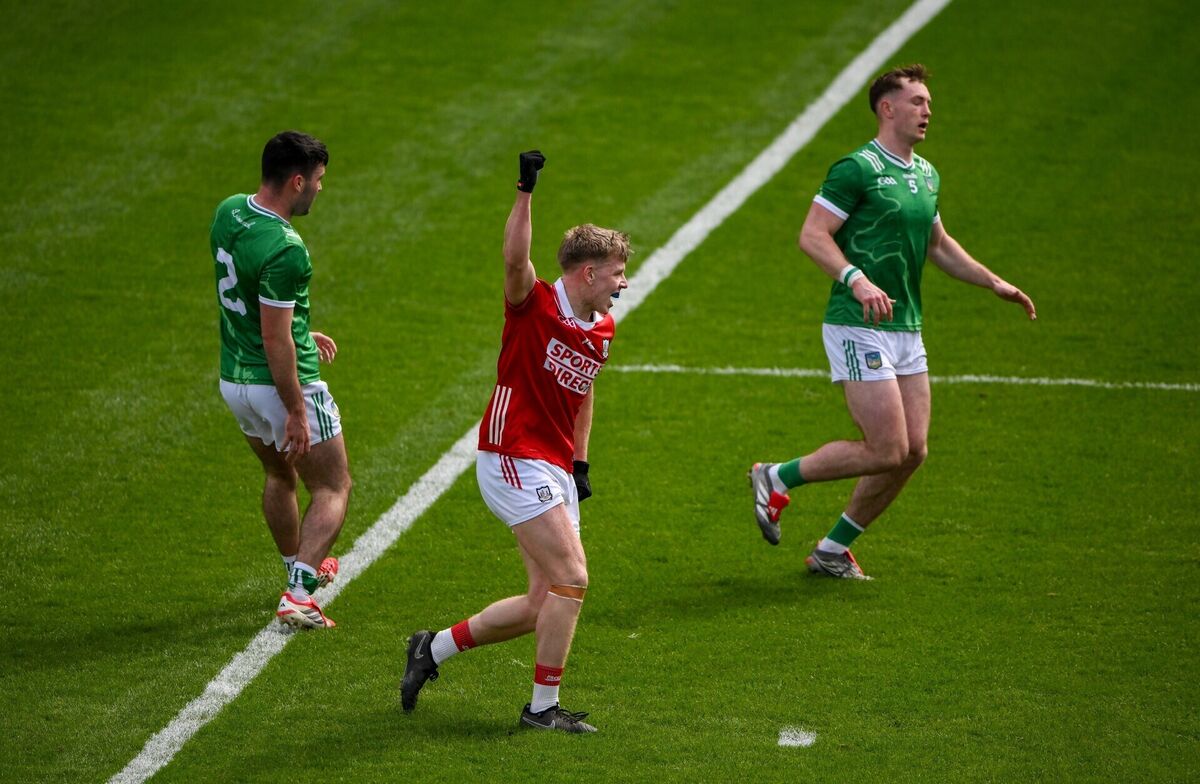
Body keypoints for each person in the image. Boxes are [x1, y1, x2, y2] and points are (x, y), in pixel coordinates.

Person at [749, 64, 1036, 579]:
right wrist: (855, 278)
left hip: (906, 326)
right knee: (886, 446)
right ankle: (775, 476)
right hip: (857, 322)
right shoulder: (856, 168)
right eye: (918, 101)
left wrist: (992, 282)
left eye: (927, 102)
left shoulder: (926, 174)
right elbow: (813, 235)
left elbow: (938, 245)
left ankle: (833, 548)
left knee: (912, 451)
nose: (927, 110)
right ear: (888, 108)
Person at [399, 151, 630, 733]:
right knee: (573, 578)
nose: (623, 282)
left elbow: (584, 392)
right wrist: (525, 189)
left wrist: (579, 461)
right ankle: (542, 711)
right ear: (587, 273)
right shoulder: (534, 303)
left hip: (552, 464)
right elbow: (514, 257)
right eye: (617, 272)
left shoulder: (602, 328)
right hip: (509, 455)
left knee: (541, 601)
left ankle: (432, 649)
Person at [210, 130, 352, 628]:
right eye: (317, 181)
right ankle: (299, 593)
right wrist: (296, 410)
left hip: (235, 383)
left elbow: (250, 302)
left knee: (278, 475)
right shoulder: (287, 247)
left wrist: (297, 328)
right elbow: (275, 342)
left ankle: (296, 566)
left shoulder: (229, 211)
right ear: (296, 181)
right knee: (333, 487)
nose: (319, 189)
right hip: (280, 386)